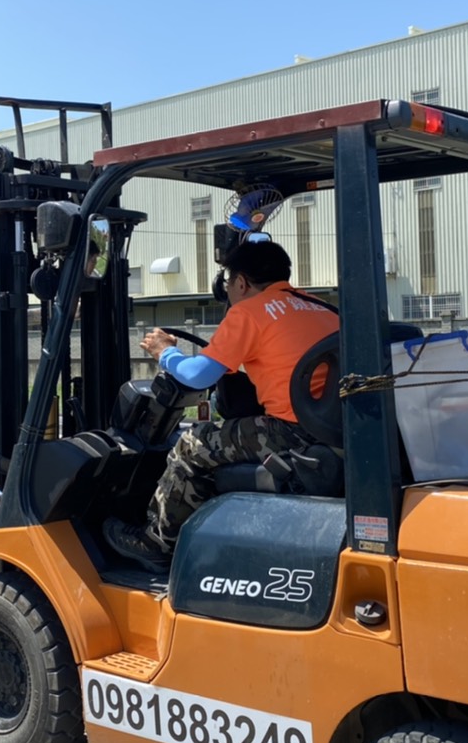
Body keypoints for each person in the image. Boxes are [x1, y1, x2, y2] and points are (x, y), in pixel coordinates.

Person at [102, 240, 340, 573]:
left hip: (292, 431)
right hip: (335, 430)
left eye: (228, 282)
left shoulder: (250, 312)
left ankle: (156, 543)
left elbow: (198, 376)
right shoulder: (324, 309)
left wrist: (164, 352)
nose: (227, 289)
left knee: (192, 443)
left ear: (241, 282)